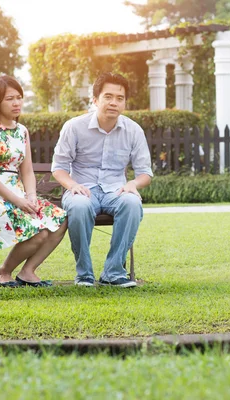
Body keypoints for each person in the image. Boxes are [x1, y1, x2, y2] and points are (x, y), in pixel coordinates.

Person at [52, 72, 153, 288]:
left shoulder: (134, 131)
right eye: (108, 97)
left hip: (115, 191)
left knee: (132, 203)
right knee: (79, 206)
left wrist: (133, 184)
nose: (114, 103)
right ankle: (84, 274)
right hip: (82, 189)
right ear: (95, 99)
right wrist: (72, 186)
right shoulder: (74, 127)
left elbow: (145, 173)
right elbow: (59, 168)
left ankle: (114, 272)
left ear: (125, 102)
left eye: (120, 98)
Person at [0, 75, 67, 287]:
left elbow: (27, 171)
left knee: (60, 220)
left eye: (19, 97)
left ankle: (28, 272)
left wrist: (31, 197)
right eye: (9, 98)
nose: (16, 103)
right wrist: (19, 201)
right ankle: (3, 272)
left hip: (18, 192)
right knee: (39, 234)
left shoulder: (22, 131)